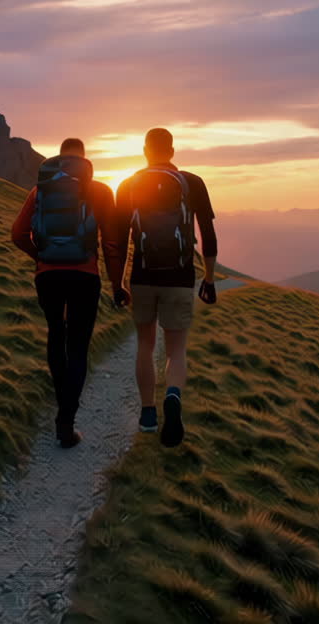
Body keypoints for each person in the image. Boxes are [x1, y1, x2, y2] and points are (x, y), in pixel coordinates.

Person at [11, 138, 124, 448]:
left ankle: (62, 402)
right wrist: (118, 286)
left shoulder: (41, 191)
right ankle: (66, 421)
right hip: (85, 276)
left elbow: (17, 233)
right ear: (84, 160)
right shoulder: (100, 191)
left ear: (59, 159)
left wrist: (41, 257)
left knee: (55, 335)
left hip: (48, 276)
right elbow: (112, 244)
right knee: (77, 346)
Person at [112, 127, 218, 447]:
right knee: (176, 349)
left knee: (145, 344)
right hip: (180, 276)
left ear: (145, 150)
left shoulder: (128, 184)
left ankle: (147, 414)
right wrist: (209, 279)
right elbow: (208, 235)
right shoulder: (192, 182)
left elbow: (117, 240)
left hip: (143, 276)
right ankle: (172, 394)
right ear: (172, 151)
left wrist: (117, 283)